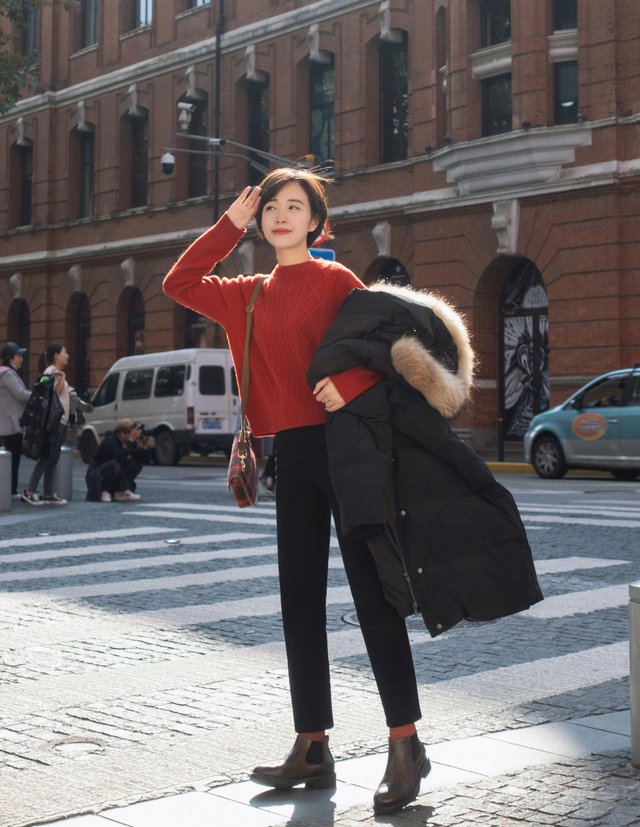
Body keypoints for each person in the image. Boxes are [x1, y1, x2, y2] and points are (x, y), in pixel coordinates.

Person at [163, 169, 542, 815]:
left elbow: (386, 347)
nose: (281, 216)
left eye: (296, 207)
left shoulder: (339, 283)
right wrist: (227, 223)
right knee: (299, 600)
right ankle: (312, 744)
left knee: (374, 595)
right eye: (272, 208)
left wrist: (355, 386)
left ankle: (406, 742)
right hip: (295, 457)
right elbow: (179, 283)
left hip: (353, 449)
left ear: (317, 222)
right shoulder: (247, 294)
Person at [22, 344, 70, 506]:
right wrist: (62, 377)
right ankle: (29, 491)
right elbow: (54, 394)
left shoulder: (53, 372)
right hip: (54, 422)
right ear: (56, 355)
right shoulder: (51, 372)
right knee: (47, 457)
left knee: (53, 459)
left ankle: (48, 494)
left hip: (60, 422)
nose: (67, 355)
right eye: (64, 353)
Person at [85, 418, 149, 502]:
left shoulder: (126, 442)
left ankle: (120, 491)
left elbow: (144, 460)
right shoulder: (110, 440)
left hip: (114, 476)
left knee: (137, 462)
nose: (133, 437)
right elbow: (120, 458)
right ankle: (104, 492)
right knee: (115, 463)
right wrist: (130, 441)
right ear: (122, 433)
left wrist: (144, 444)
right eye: (131, 434)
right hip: (96, 478)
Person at [0, 342, 31, 499]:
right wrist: (36, 395)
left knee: (7, 459)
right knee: (13, 459)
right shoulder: (8, 374)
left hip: (4, 423)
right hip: (11, 424)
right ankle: (11, 491)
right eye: (18, 356)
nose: (21, 359)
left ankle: (8, 490)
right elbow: (20, 394)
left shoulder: (3, 373)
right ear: (9, 358)